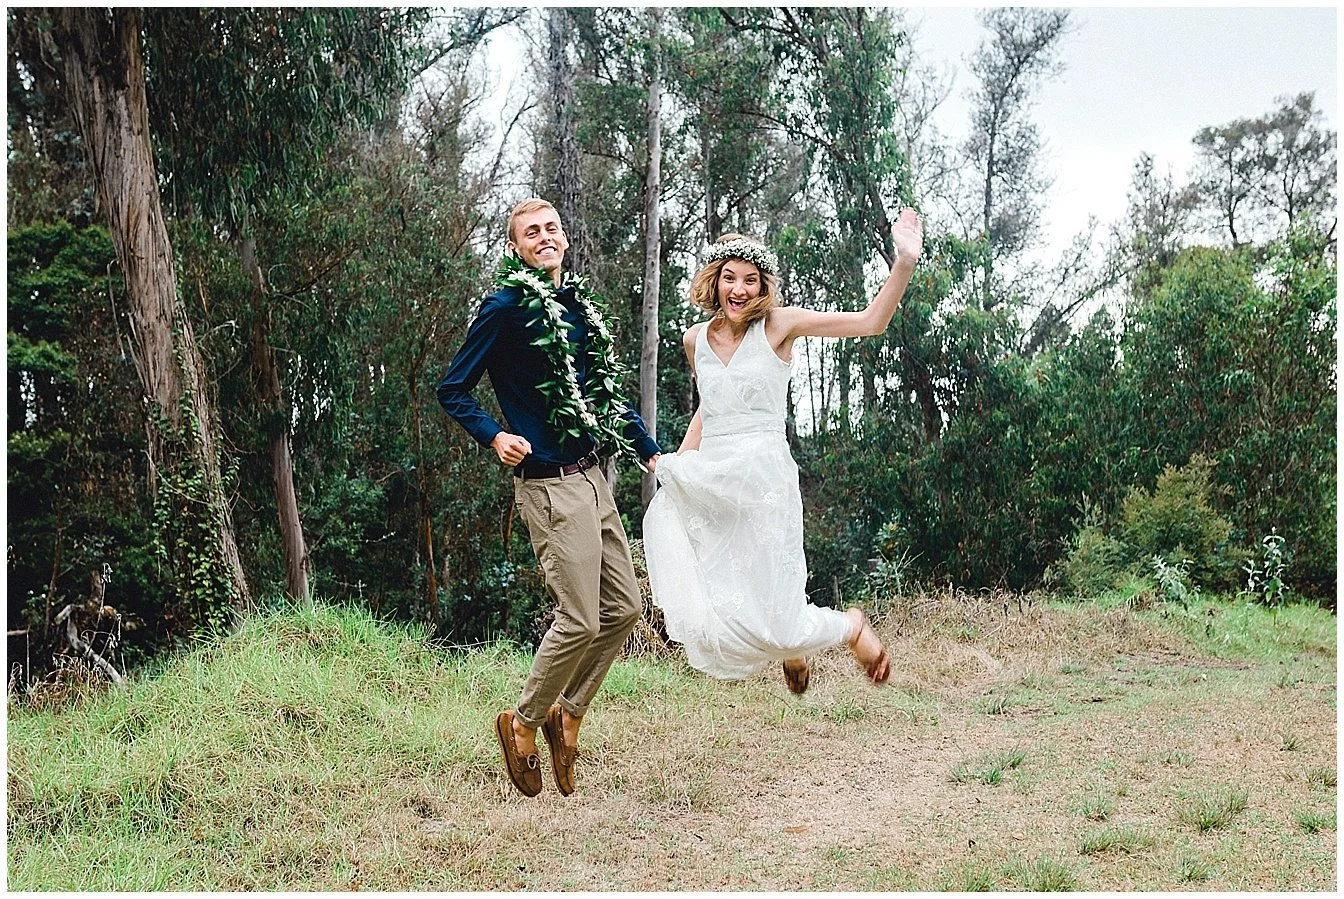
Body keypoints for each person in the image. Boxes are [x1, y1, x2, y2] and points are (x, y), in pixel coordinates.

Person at [642, 208, 923, 694]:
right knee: (725, 605)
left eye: (750, 280)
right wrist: (678, 464)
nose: (739, 289)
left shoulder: (779, 325)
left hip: (764, 478)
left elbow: (871, 322)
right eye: (729, 277)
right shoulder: (694, 340)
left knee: (778, 598)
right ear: (714, 281)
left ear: (762, 286)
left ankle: (850, 628)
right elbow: (711, 407)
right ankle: (792, 646)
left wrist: (904, 261)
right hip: (716, 477)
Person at [437, 197, 661, 798]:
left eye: (552, 228)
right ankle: (523, 721)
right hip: (549, 485)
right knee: (580, 618)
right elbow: (453, 388)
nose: (544, 237)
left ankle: (569, 713)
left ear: (564, 238)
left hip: (594, 477)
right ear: (515, 247)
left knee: (625, 609)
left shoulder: (577, 306)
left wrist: (649, 451)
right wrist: (495, 435)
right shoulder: (504, 308)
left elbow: (603, 392)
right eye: (531, 232)